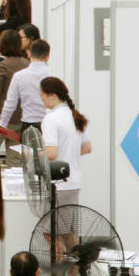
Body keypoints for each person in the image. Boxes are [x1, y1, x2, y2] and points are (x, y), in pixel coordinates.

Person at [39, 77, 91, 206]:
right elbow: (87, 148)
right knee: (70, 224)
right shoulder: (75, 116)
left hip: (58, 183)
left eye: (42, 96)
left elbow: (51, 154)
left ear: (52, 96)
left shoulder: (51, 119)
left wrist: (34, 154)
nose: (42, 100)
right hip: (74, 181)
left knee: (55, 224)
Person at [0, 30, 29, 166]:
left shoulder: (2, 66)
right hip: (20, 119)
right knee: (15, 161)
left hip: (2, 121)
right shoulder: (27, 64)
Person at [0, 39, 51, 134]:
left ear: (29, 53)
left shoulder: (19, 76)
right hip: (49, 123)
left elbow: (10, 103)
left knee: (28, 149)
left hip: (28, 124)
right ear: (48, 56)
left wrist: (3, 124)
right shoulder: (52, 74)